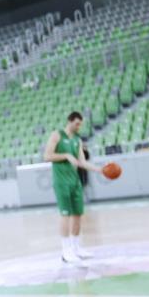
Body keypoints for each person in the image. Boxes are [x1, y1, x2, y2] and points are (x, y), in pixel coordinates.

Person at [43, 111, 103, 264]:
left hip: (75, 181)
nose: (78, 127)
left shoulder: (78, 140)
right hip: (61, 181)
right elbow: (47, 156)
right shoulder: (57, 135)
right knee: (65, 215)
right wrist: (66, 156)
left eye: (80, 124)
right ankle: (65, 251)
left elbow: (82, 162)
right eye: (77, 124)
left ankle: (76, 248)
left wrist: (99, 169)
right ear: (69, 121)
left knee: (77, 214)